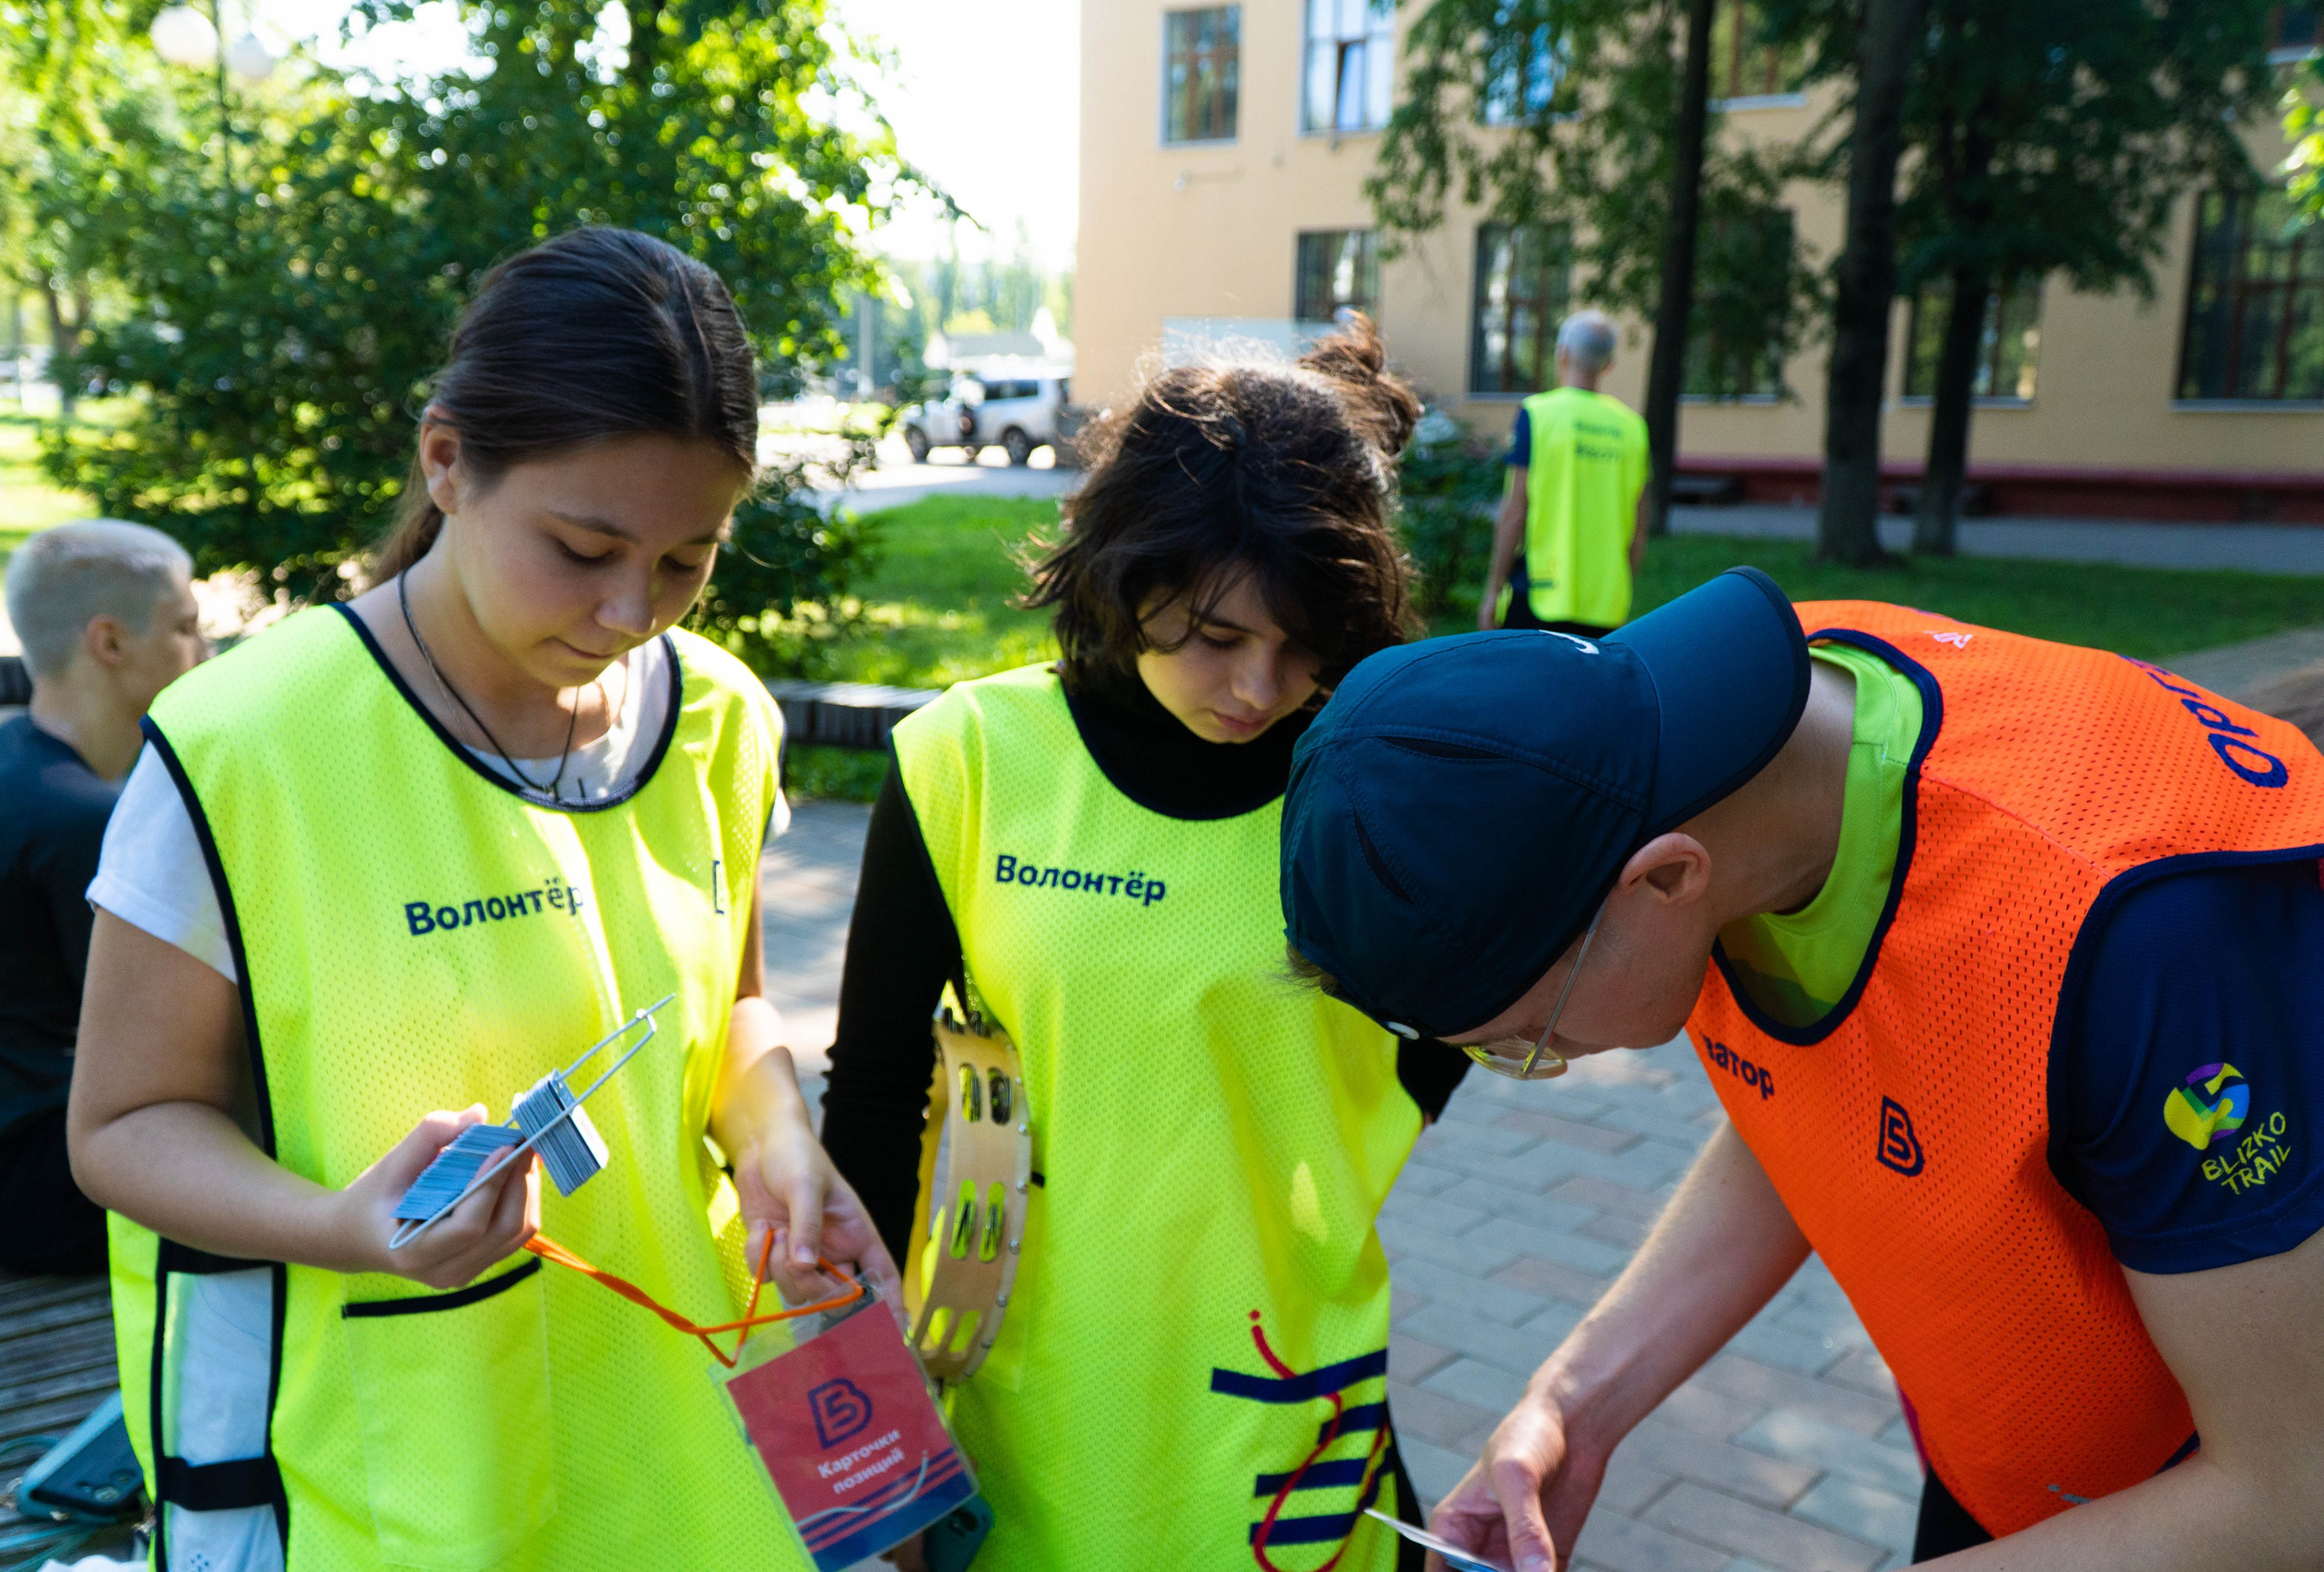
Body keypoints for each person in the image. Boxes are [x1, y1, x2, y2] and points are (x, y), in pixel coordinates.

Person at [66, 228, 895, 1572]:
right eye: (583, 547)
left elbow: (728, 1016)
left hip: (701, 1448)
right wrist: (344, 1227)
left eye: (690, 559)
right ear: (446, 463)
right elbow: (120, 1125)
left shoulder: (722, 717)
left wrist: (777, 1141)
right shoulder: (243, 746)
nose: (634, 607)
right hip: (399, 1478)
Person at [1280, 569, 2324, 1570]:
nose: (1530, 1056)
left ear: (1666, 878)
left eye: (1523, 1036)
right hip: (2017, 1476)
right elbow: (1819, 1095)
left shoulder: (2141, 941)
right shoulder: (1700, 753)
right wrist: (1573, 1403)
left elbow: (2284, 1501)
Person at [820, 320, 1470, 1570]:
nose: (1260, 685)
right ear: (1128, 570)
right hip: (1021, 1395)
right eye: (1219, 636)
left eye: (1305, 643)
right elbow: (874, 1100)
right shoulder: (966, 759)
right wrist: (872, 1451)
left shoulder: (1370, 788)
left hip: (1283, 1394)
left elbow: (1480, 1022)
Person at [0, 521, 204, 1274]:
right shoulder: (76, 820)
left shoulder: (5, 758)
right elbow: (176, 1046)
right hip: (33, 1190)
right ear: (110, 643)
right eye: (187, 628)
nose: (204, 652)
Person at [1475, 311, 1649, 637]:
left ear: (1562, 354)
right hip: (1606, 603)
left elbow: (1515, 512)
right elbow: (1639, 528)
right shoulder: (1633, 428)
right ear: (1608, 364)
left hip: (1540, 594)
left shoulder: (1538, 414)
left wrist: (1493, 591)